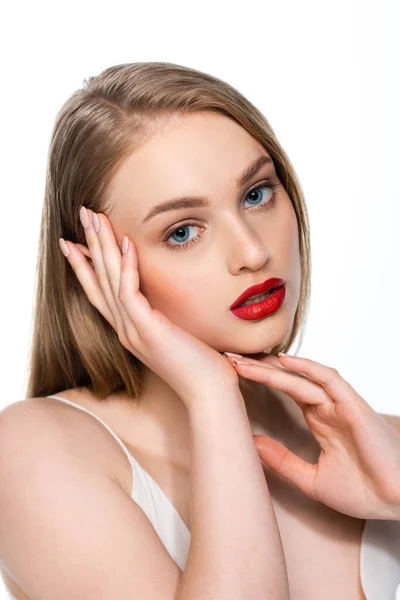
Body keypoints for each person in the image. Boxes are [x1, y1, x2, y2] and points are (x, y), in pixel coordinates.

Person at [0, 61, 399, 600]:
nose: (253, 253)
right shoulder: (34, 453)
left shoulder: (388, 450)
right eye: (183, 231)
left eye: (257, 194)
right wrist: (211, 395)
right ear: (95, 267)